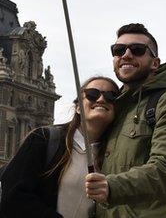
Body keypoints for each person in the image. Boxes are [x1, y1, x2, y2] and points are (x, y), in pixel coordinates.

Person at [85, 23, 166, 217]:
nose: (126, 55)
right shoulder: (119, 106)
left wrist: (111, 187)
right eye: (118, 50)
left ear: (155, 63)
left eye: (137, 50)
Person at [0, 76, 119, 218]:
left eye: (111, 96)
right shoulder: (43, 139)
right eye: (92, 94)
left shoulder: (116, 155)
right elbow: (13, 196)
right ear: (78, 107)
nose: (101, 99)